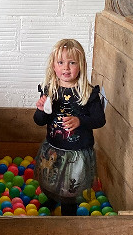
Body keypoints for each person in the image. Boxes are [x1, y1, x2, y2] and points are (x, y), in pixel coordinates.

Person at [33, 38, 106, 216]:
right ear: (53, 66)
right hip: (54, 149)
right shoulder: (50, 90)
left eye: (72, 62)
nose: (66, 68)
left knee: (70, 190)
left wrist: (80, 121)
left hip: (77, 153)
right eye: (61, 62)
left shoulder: (88, 93)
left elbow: (99, 119)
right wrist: (41, 110)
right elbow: (39, 121)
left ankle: (68, 219)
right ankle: (51, 200)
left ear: (80, 65)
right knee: (51, 180)